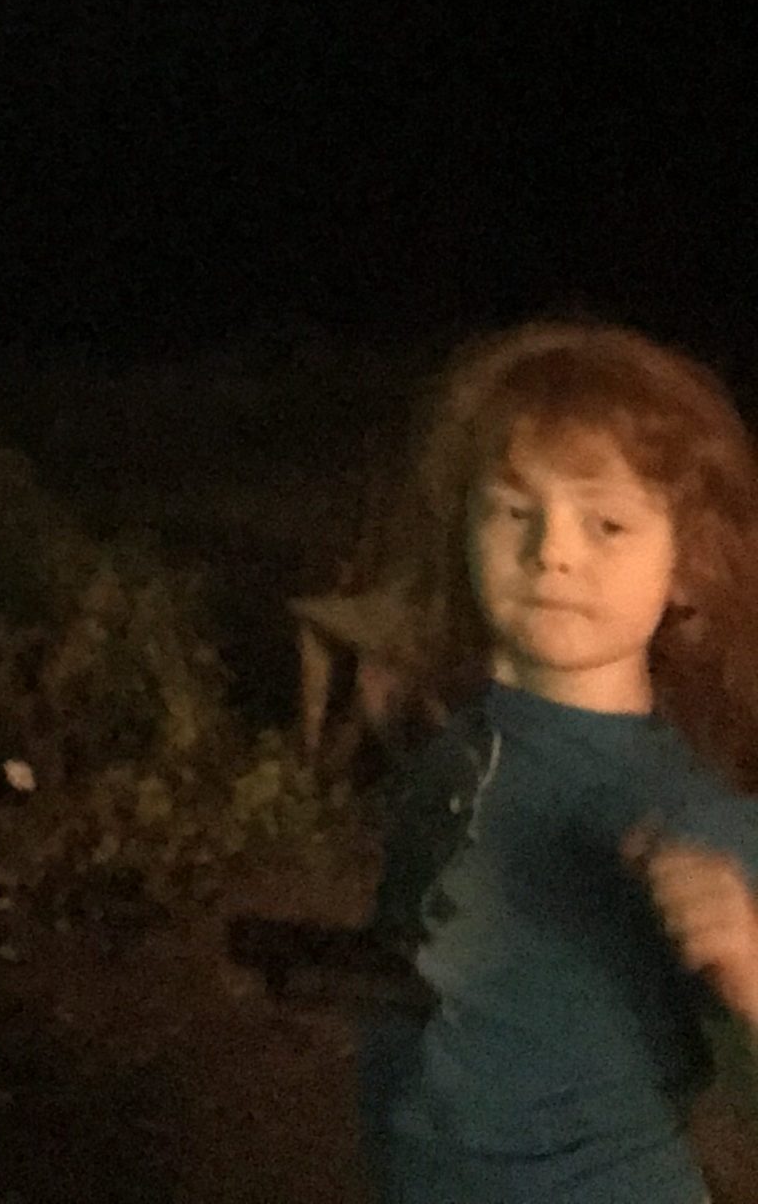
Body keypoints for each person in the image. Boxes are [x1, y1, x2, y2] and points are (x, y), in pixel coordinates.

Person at [355, 318, 758, 1203]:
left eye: (606, 523)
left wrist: (747, 965)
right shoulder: (461, 741)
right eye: (514, 511)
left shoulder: (692, 810)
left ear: (689, 565)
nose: (553, 552)